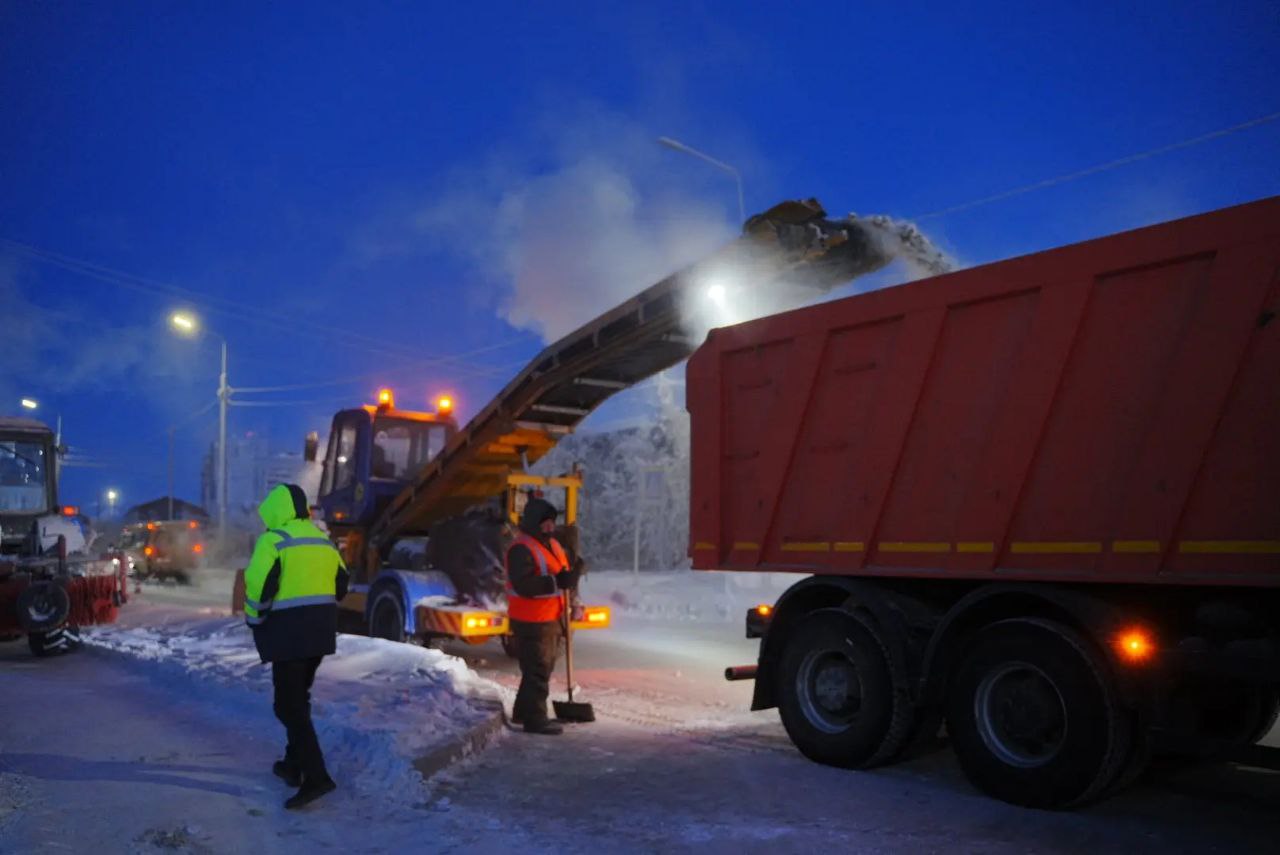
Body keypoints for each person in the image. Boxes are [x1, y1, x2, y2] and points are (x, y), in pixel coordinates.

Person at [243, 483, 349, 809]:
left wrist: (255, 620)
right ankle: (292, 765)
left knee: (287, 707)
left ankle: (317, 776)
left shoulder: (273, 541)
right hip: (319, 636)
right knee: (297, 700)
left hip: (288, 636)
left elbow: (258, 588)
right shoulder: (322, 540)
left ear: (278, 510)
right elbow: (341, 586)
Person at [505, 497, 582, 735]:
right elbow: (523, 584)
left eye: (552, 523)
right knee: (538, 670)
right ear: (532, 523)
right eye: (545, 523)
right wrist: (556, 582)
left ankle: (522, 712)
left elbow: (562, 574)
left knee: (537, 669)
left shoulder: (553, 545)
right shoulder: (521, 548)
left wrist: (574, 572)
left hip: (550, 619)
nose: (550, 528)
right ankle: (535, 719)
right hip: (531, 621)